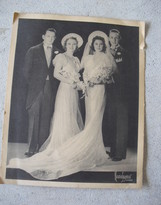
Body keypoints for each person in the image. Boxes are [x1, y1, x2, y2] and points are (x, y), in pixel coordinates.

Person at [8, 31, 116, 180]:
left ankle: (69, 145)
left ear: (76, 46)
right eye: (69, 44)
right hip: (65, 90)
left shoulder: (77, 60)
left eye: (74, 44)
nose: (71, 46)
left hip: (74, 92)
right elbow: (56, 75)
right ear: (65, 45)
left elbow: (81, 75)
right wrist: (71, 82)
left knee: (72, 115)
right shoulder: (61, 57)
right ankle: (60, 146)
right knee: (64, 115)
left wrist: (80, 84)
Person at [24, 28, 60, 157]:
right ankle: (31, 148)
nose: (50, 38)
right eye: (48, 36)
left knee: (46, 116)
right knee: (34, 116)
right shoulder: (33, 50)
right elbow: (26, 72)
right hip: (36, 89)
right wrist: (35, 84)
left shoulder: (58, 52)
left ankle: (42, 148)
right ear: (43, 36)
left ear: (55, 38)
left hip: (50, 87)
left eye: (53, 37)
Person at [103, 29, 128, 161]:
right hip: (108, 90)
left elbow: (127, 73)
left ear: (120, 39)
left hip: (121, 91)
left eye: (116, 38)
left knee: (121, 122)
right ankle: (113, 151)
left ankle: (119, 153)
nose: (114, 40)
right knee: (111, 120)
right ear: (108, 38)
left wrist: (114, 78)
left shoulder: (123, 53)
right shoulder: (105, 52)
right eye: (112, 37)